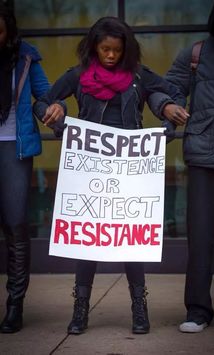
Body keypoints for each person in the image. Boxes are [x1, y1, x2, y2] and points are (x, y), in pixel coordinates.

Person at [33, 16, 189, 335]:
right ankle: (80, 311)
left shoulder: (138, 76)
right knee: (85, 241)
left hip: (130, 169)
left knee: (131, 242)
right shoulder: (77, 76)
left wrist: (168, 109)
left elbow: (170, 93)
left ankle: (139, 309)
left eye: (117, 50)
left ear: (126, 50)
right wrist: (58, 114)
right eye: (105, 49)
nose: (110, 56)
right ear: (94, 47)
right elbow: (43, 101)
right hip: (90, 169)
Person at [159, 0, 214, 333]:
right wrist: (169, 106)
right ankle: (197, 311)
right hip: (202, 155)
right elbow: (167, 89)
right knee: (200, 238)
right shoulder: (194, 53)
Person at [0, 1, 57, 333]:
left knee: (16, 226)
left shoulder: (26, 56)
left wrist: (54, 110)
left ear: (8, 30)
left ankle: (14, 306)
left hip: (13, 149)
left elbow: (44, 96)